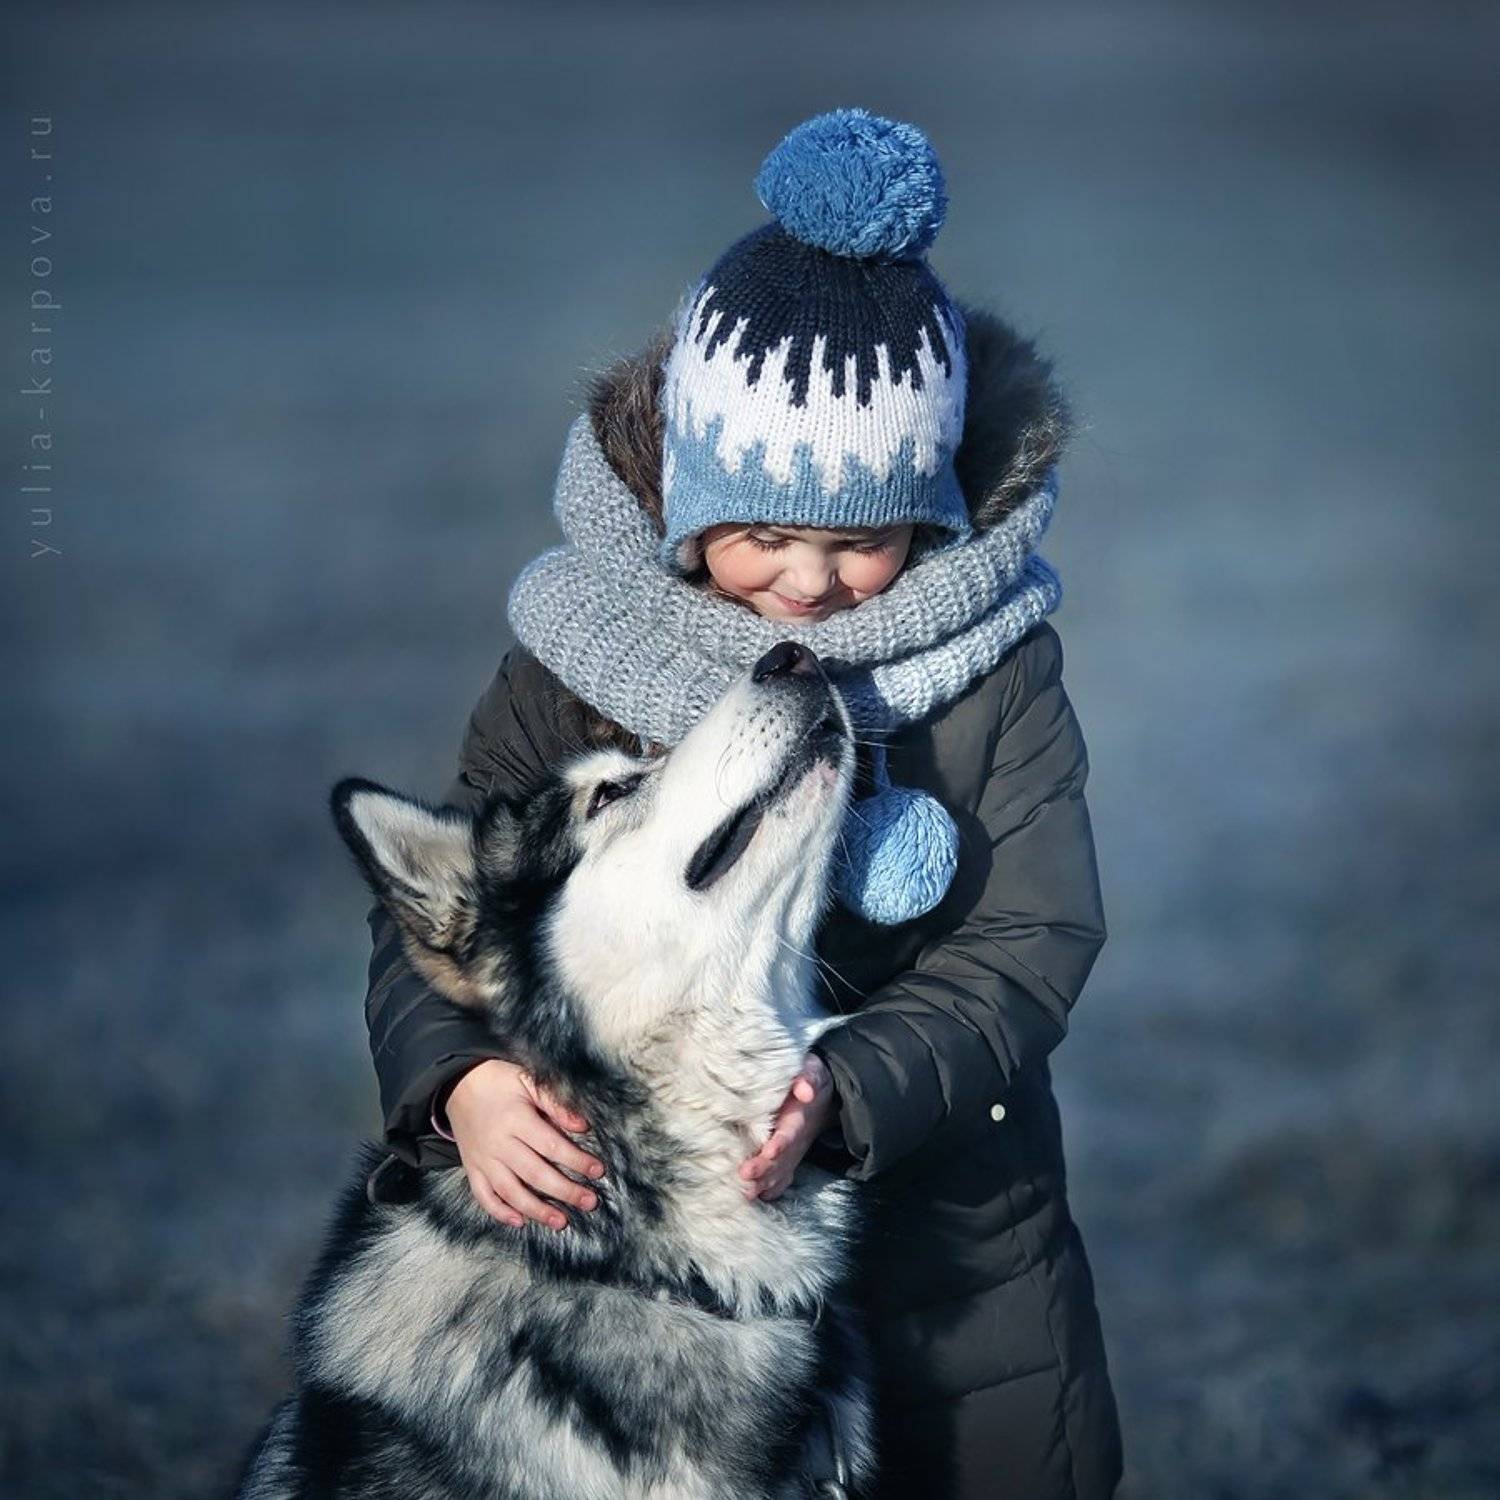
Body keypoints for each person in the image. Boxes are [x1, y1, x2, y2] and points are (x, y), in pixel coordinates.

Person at [361, 108, 1123, 1500]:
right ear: (686, 503)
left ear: (933, 520)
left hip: (946, 1231)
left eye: (862, 541)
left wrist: (856, 1087)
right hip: (647, 1246)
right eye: (766, 533)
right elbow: (455, 912)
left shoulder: (996, 665)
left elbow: (1035, 939)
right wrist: (456, 1080)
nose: (809, 584)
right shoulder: (583, 647)